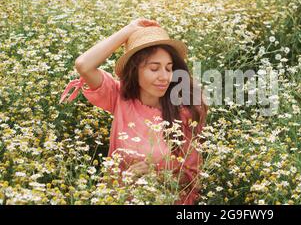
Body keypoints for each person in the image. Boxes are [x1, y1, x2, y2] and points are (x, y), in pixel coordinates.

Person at [59, 18, 208, 205]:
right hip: (119, 199)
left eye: (169, 69)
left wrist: (154, 176)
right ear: (134, 70)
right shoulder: (119, 97)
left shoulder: (185, 111)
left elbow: (191, 178)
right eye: (154, 68)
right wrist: (128, 30)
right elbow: (84, 65)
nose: (164, 77)